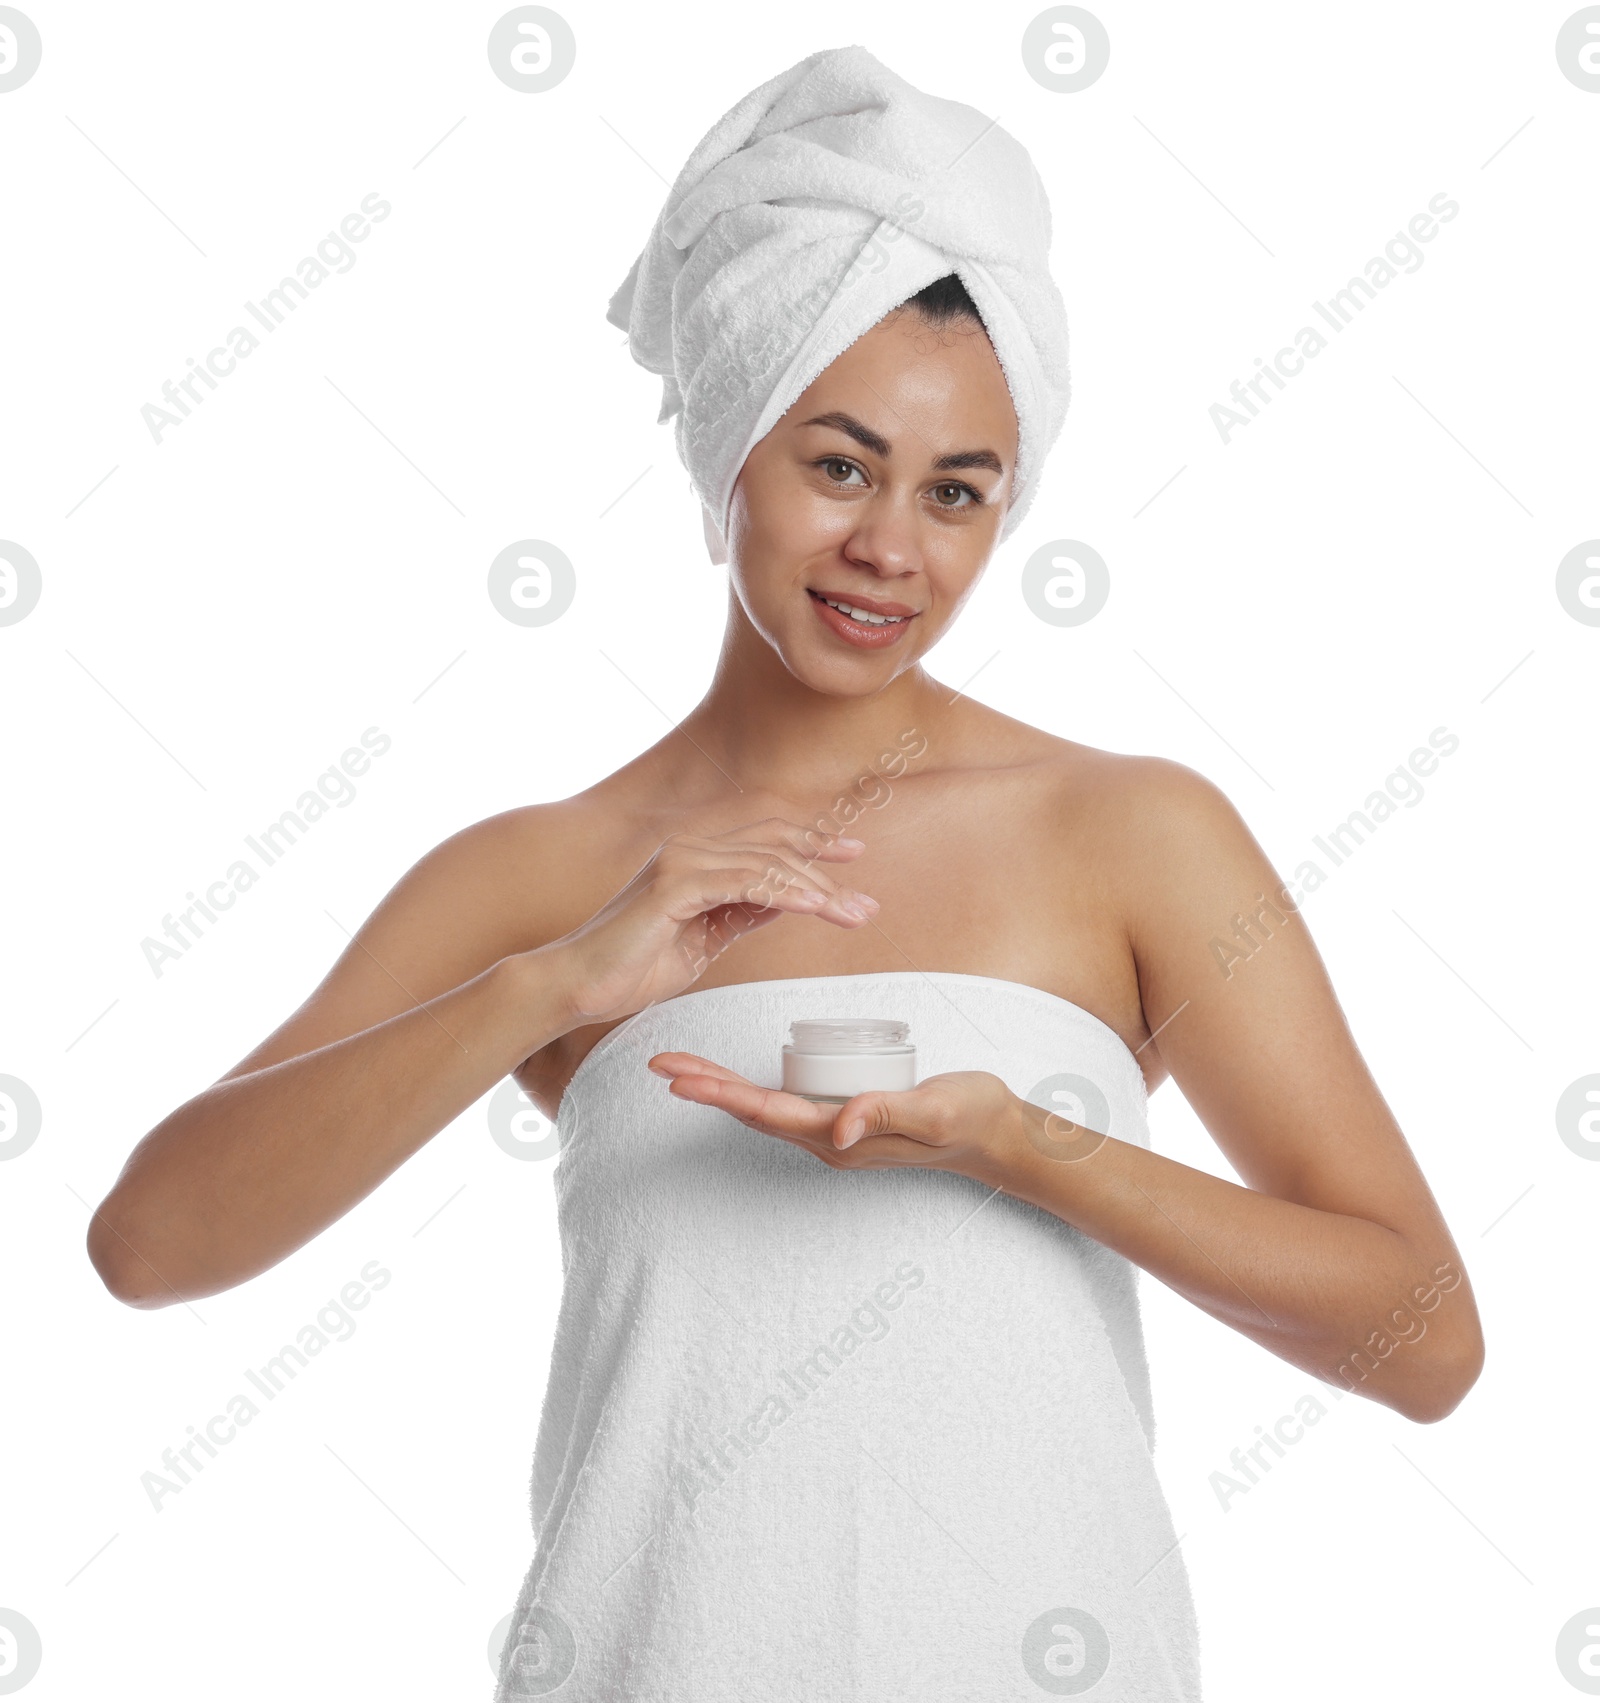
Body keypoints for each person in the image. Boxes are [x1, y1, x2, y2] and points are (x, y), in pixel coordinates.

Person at [87, 46, 1483, 1702]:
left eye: (958, 493)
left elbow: (1424, 1340)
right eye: (838, 465)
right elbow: (152, 1245)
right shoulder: (544, 876)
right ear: (728, 447)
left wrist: (1028, 1149)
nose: (894, 547)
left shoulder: (1129, 834)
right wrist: (556, 986)